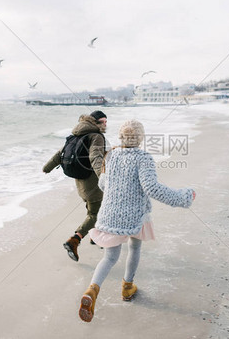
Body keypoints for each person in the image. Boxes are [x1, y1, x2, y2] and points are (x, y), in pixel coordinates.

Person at [78, 119, 195, 322]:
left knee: (109, 258)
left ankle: (92, 290)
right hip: (135, 216)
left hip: (110, 214)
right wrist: (182, 197)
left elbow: (103, 184)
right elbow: (152, 188)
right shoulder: (143, 158)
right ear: (140, 138)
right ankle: (127, 287)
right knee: (134, 248)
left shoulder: (111, 154)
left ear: (121, 137)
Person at [43, 110, 107, 262]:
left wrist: (47, 168)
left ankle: (95, 237)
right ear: (95, 122)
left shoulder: (76, 135)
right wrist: (104, 178)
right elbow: (95, 158)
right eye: (102, 122)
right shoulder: (96, 136)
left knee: (94, 210)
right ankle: (74, 240)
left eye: (106, 121)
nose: (105, 125)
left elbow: (60, 154)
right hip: (94, 184)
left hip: (80, 183)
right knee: (95, 214)